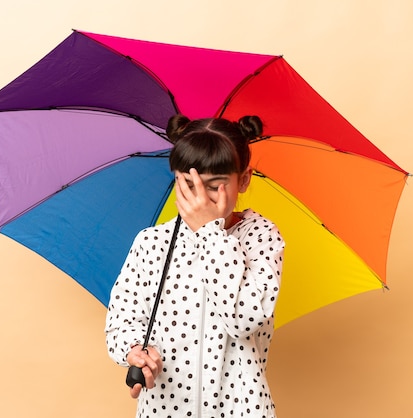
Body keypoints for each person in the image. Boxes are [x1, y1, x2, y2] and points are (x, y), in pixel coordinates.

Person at [105, 114, 285, 417]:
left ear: (243, 180)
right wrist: (135, 352)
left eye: (214, 186)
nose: (200, 198)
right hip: (166, 408)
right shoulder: (152, 242)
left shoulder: (262, 238)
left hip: (241, 409)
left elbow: (243, 319)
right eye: (188, 184)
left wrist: (210, 233)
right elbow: (122, 322)